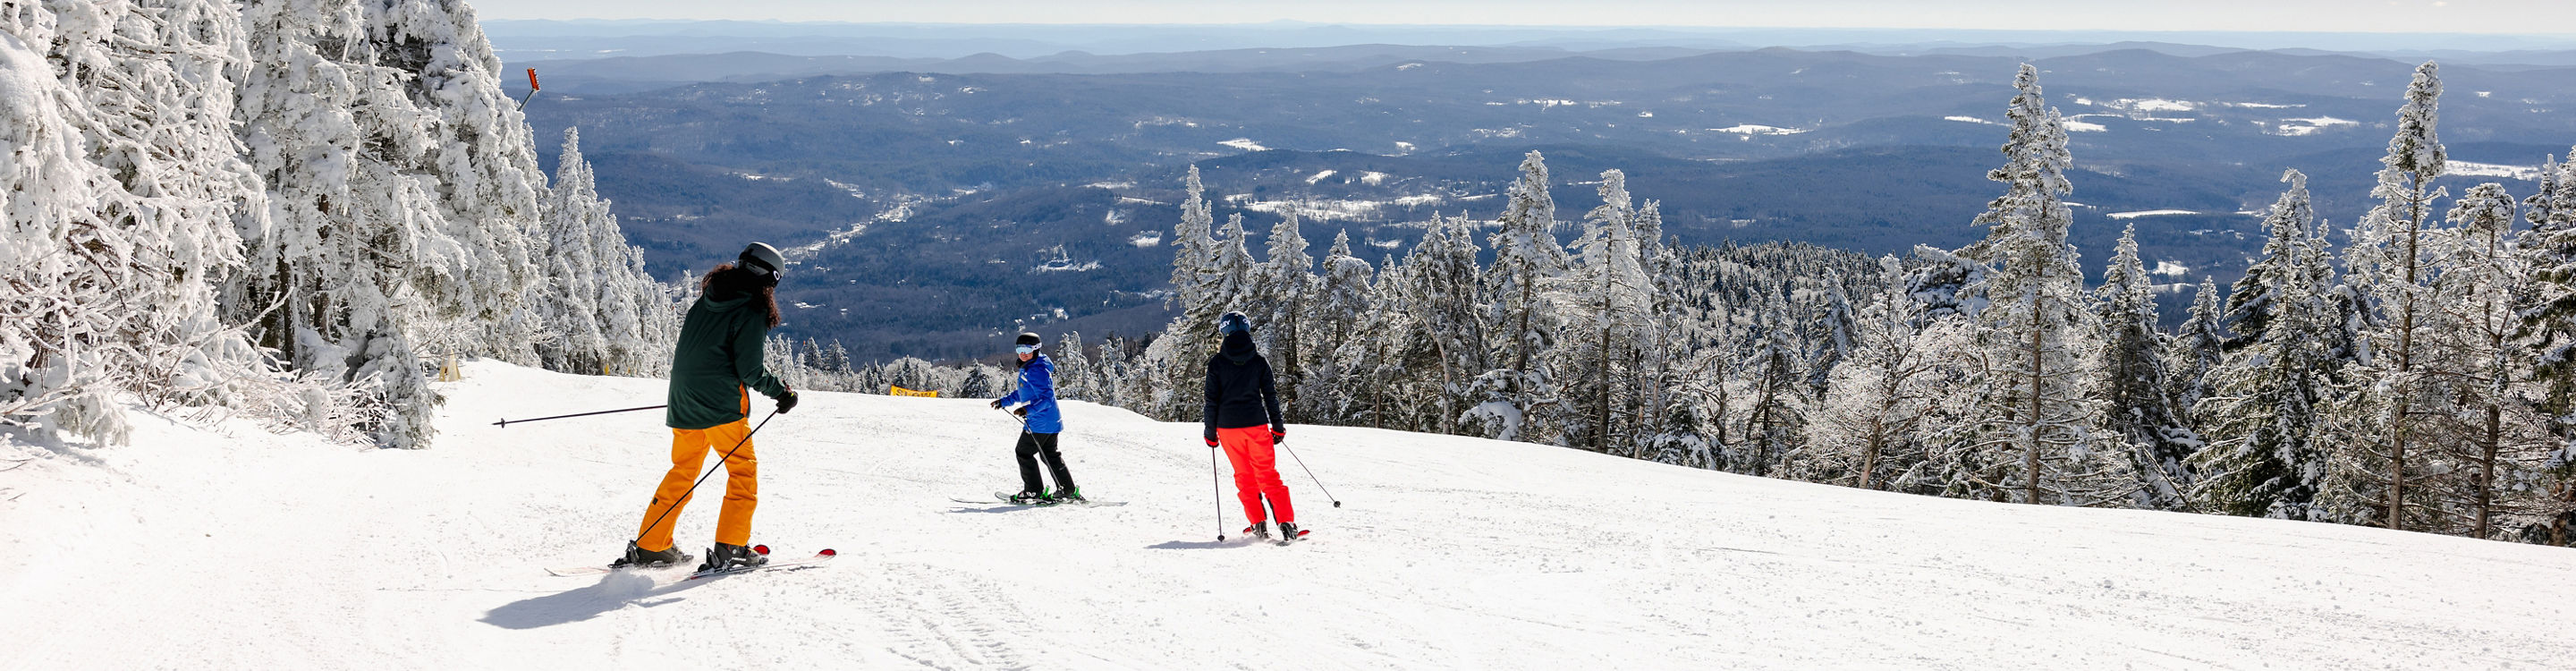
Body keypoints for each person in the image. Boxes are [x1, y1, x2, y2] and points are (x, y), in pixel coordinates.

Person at [614, 242, 801, 572]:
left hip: (684, 401)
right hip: (720, 407)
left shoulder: (710, 298)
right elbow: (750, 370)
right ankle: (731, 546)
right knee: (742, 471)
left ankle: (651, 545)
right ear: (769, 279)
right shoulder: (751, 308)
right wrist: (781, 393)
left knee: (683, 470)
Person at [1203, 311, 1299, 540]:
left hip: (1227, 428)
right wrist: (1278, 427)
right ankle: (1286, 523)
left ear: (1224, 331)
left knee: (1244, 476)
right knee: (1268, 475)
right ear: (1247, 329)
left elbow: (1211, 400)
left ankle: (1258, 524)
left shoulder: (1216, 363)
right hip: (1256, 425)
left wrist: (1210, 433)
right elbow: (1271, 396)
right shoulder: (1259, 361)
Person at [992, 332, 1080, 504]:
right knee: (1049, 455)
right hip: (1050, 421)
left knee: (1023, 452)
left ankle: (1033, 491)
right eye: (1019, 349)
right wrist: (1005, 401)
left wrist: (1028, 409)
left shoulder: (1036, 370)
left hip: (1040, 422)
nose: (1023, 353)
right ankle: (1067, 490)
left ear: (1036, 349)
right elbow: (1024, 391)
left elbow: (1047, 398)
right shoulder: (1032, 366)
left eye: (1027, 349)